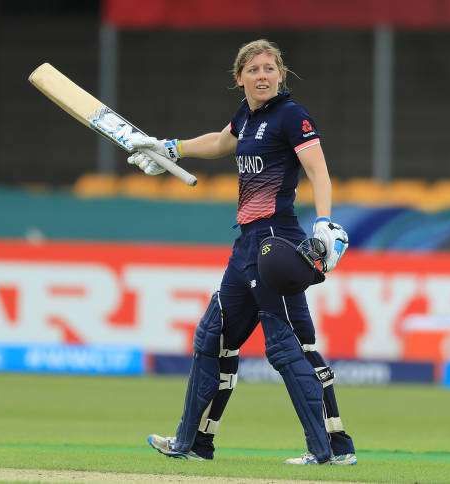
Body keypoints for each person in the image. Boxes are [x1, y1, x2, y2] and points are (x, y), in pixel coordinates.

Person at [126, 39, 356, 466]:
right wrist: (170, 148)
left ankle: (326, 450)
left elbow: (318, 169)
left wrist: (323, 220)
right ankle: (191, 442)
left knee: (288, 348)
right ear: (240, 79)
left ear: (281, 74)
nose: (263, 75)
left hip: (276, 245)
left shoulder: (291, 115)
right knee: (211, 338)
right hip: (246, 244)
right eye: (254, 70)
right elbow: (218, 142)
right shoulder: (248, 119)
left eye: (270, 68)